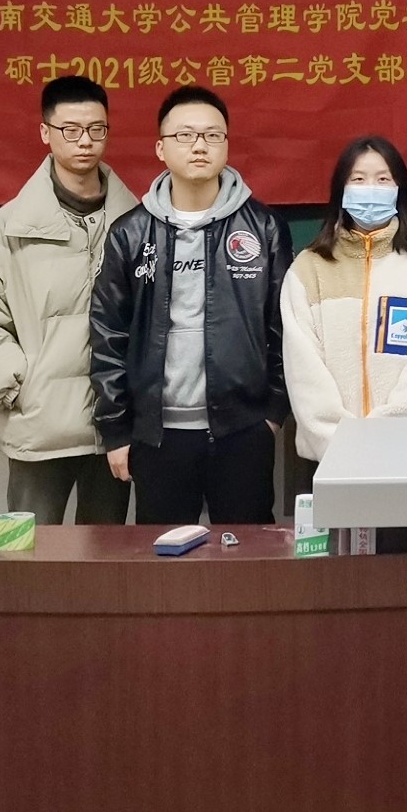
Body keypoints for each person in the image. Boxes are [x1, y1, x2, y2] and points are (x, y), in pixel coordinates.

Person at [89, 86, 290, 525]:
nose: (199, 145)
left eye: (212, 135)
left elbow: (282, 328)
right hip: (158, 435)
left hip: (243, 429)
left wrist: (272, 415)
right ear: (161, 148)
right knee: (162, 557)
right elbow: (108, 336)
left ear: (226, 145)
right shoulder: (130, 233)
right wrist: (117, 430)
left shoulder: (265, 228)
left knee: (247, 554)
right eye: (185, 135)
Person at [0, 76, 139, 526]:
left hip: (113, 426)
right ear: (45, 132)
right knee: (24, 556)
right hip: (37, 428)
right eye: (70, 130)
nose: (85, 141)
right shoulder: (8, 228)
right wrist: (18, 389)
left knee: (106, 555)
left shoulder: (138, 223)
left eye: (96, 129)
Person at [283, 136, 407, 461]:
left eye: (383, 179)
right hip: (329, 457)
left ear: (400, 189)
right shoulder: (308, 268)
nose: (371, 189)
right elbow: (303, 371)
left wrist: (385, 439)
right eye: (359, 179)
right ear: (341, 190)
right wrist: (341, 446)